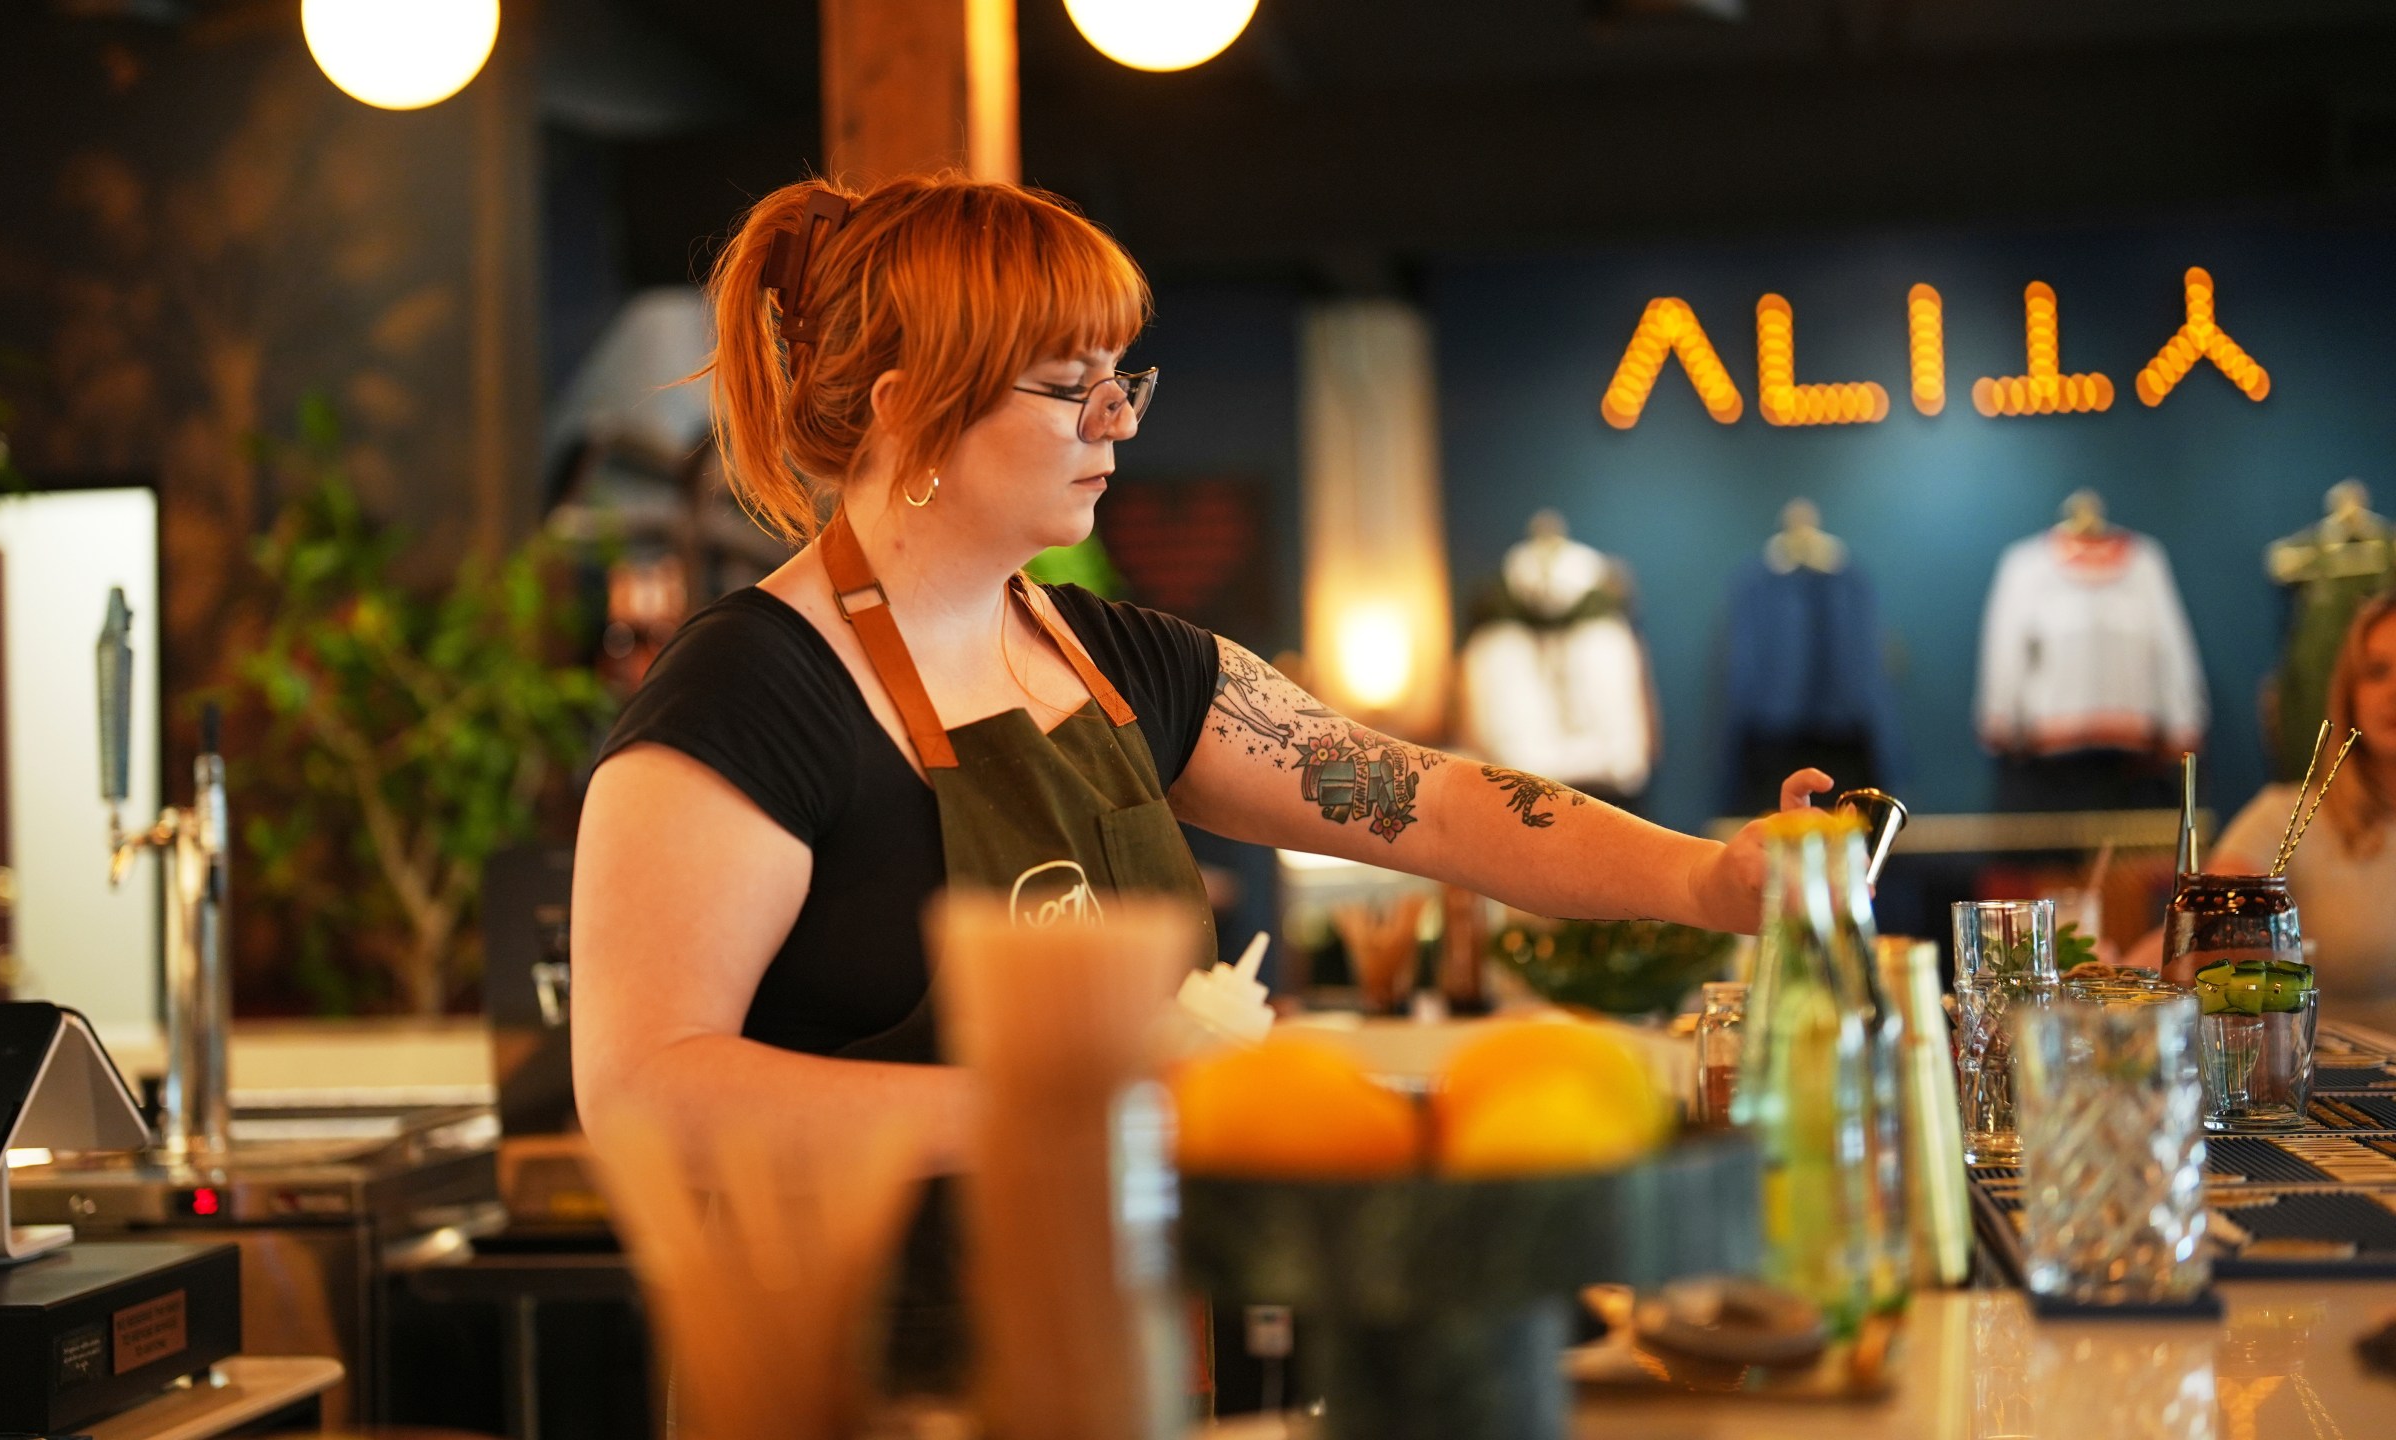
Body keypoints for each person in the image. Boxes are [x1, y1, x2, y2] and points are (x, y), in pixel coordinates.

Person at [566, 173, 1825, 1376]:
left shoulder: (1115, 662)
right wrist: (1066, 1117)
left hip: (1132, 1360)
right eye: (1071, 387)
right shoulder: (751, 691)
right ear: (906, 406)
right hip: (864, 1386)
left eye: (1124, 381)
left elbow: (1425, 799)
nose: (1116, 420)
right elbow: (643, 1093)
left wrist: (1712, 881)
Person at [2198, 592, 2396, 1001]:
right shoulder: (2283, 818)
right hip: (2329, 1062)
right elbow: (2200, 939)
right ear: (2350, 694)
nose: (2394, 691)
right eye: (2376, 671)